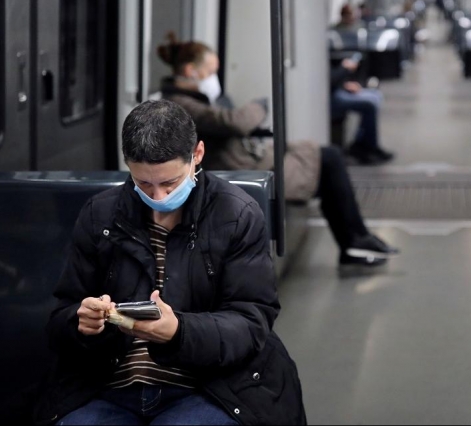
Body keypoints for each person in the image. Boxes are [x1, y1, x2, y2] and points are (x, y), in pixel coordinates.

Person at [35, 100, 305, 425]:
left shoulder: (236, 215)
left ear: (198, 155)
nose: (158, 197)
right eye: (144, 184)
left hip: (207, 386)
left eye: (170, 183)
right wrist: (84, 324)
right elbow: (61, 316)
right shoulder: (100, 214)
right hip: (109, 383)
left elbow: (251, 322)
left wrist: (180, 332)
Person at [157, 36, 398, 266]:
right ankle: (354, 240)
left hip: (247, 158)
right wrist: (258, 106)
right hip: (241, 168)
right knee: (329, 161)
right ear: (190, 71)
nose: (213, 79)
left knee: (326, 158)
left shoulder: (192, 99)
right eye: (210, 73)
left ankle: (355, 238)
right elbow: (235, 122)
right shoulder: (183, 105)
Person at [330, 57, 394, 165]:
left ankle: (363, 142)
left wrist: (345, 84)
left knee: (375, 95)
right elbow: (330, 80)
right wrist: (344, 69)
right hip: (332, 95)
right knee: (369, 105)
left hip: (337, 89)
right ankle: (368, 146)